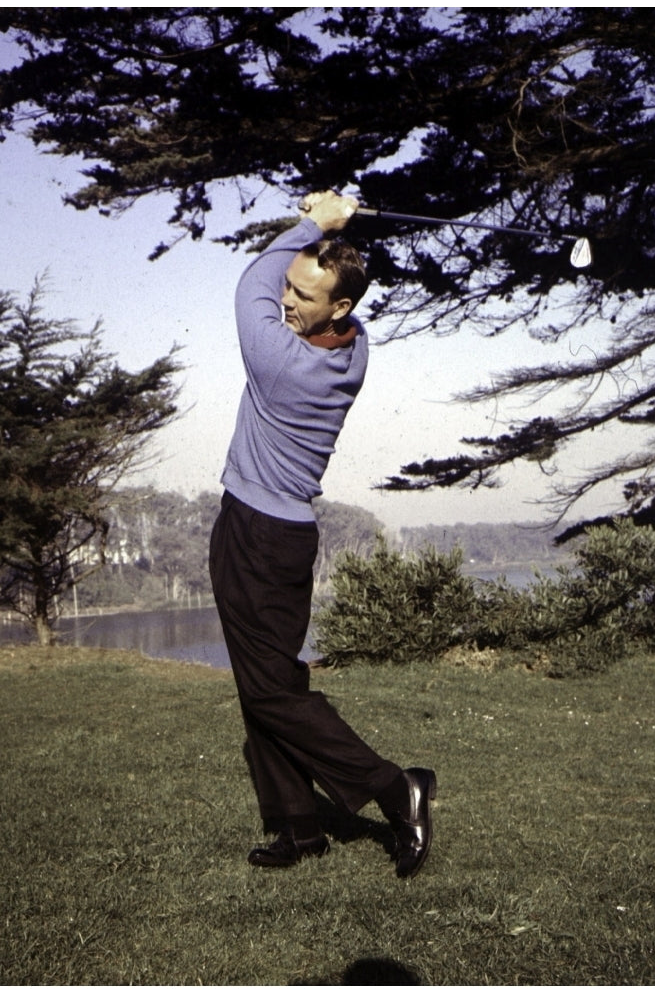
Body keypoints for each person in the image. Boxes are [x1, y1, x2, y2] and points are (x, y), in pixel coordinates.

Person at [208, 189, 436, 879]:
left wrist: (320, 221)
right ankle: (298, 828)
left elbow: (250, 276)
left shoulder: (283, 361)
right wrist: (331, 241)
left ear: (341, 306)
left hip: (256, 533)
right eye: (291, 287)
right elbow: (280, 283)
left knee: (273, 692)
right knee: (264, 681)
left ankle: (397, 789)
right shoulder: (353, 347)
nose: (286, 301)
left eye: (306, 296)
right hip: (287, 535)